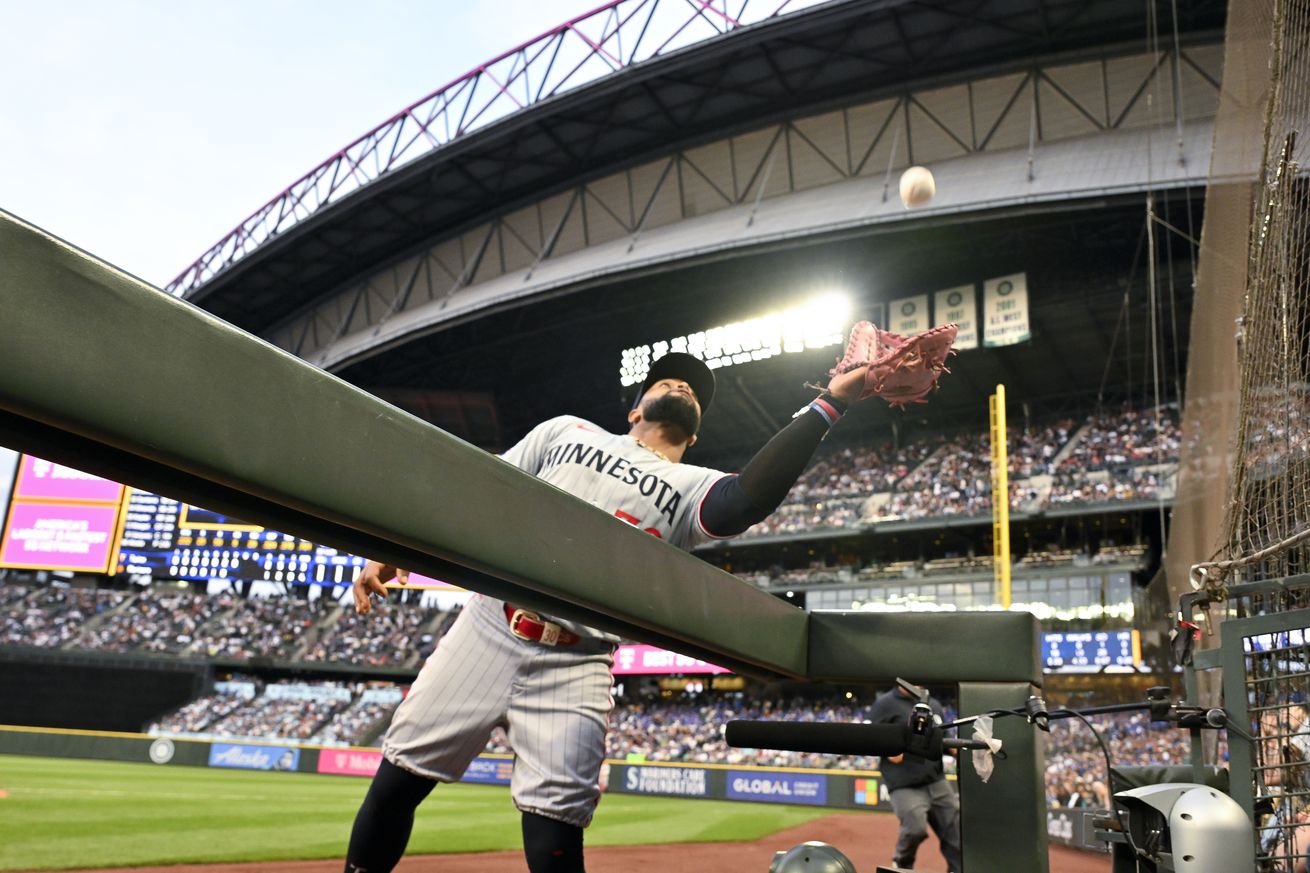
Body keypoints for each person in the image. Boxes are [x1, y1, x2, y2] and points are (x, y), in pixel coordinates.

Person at [343, 351, 871, 873]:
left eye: (694, 394)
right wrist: (395, 551)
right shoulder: (568, 432)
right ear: (634, 411)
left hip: (578, 661)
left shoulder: (692, 488)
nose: (683, 388)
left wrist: (831, 403)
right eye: (667, 382)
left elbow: (747, 499)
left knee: (555, 834)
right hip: (488, 627)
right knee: (397, 783)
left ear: (694, 438)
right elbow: (477, 486)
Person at [867, 682, 962, 873]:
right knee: (915, 827)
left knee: (956, 835)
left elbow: (942, 740)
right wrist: (887, 750)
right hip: (904, 782)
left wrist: (957, 748)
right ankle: (901, 864)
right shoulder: (885, 703)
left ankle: (957, 869)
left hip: (936, 780)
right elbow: (869, 737)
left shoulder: (933, 704)